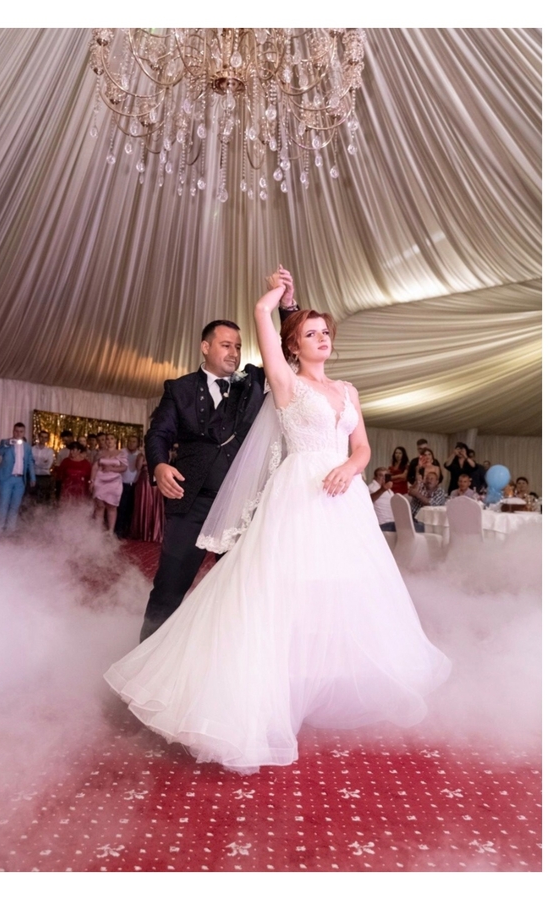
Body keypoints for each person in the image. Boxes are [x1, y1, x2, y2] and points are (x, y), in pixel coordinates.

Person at [105, 268, 451, 774]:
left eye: (326, 331)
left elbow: (361, 446)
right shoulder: (285, 383)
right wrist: (277, 296)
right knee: (265, 592)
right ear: (293, 347)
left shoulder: (348, 389)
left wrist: (352, 468)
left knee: (339, 591)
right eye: (311, 333)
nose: (322, 338)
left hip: (344, 497)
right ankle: (213, 688)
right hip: (298, 493)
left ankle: (311, 687)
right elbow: (263, 317)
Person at [138, 272, 299, 642]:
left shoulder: (254, 382)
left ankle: (231, 662)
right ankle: (144, 660)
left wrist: (288, 305)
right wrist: (159, 464)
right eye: (226, 345)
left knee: (243, 592)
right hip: (191, 503)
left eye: (238, 347)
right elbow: (158, 433)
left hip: (243, 507)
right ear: (205, 347)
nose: (234, 353)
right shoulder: (178, 389)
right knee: (169, 588)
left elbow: (290, 353)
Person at [0, 423, 36, 532]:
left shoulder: (27, 447)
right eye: (16, 431)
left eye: (21, 431)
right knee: (3, 504)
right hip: (6, 479)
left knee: (15, 506)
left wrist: (33, 477)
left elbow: (30, 463)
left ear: (24, 432)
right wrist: (7, 444)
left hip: (20, 480)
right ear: (13, 431)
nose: (18, 433)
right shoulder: (5, 442)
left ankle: (10, 530)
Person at [369, 466, 424, 532]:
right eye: (380, 475)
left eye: (386, 476)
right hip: (383, 524)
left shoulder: (389, 490)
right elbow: (370, 499)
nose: (383, 478)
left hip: (393, 522)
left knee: (418, 525)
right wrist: (382, 490)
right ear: (375, 477)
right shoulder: (372, 487)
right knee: (420, 527)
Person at [90, 434, 127, 532]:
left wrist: (111, 468)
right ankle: (98, 530)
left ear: (115, 441)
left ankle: (110, 531)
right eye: (107, 439)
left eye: (111, 438)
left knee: (112, 506)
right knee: (99, 506)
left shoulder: (121, 453)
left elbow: (124, 467)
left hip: (114, 482)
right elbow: (95, 467)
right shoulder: (100, 453)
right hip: (100, 480)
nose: (109, 441)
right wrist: (92, 481)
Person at [114, 435, 143, 539]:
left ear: (137, 443)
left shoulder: (140, 454)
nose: (131, 443)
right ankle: (118, 531)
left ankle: (127, 531)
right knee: (121, 508)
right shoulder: (121, 452)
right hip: (121, 484)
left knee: (131, 509)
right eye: (130, 441)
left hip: (134, 485)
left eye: (134, 441)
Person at [31, 429, 55, 504]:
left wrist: (35, 462)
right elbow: (30, 463)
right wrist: (42, 462)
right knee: (32, 498)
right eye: (41, 437)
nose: (43, 439)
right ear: (38, 437)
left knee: (44, 500)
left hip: (45, 477)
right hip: (33, 476)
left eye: (45, 437)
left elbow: (48, 465)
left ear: (47, 439)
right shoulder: (32, 449)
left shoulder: (49, 451)